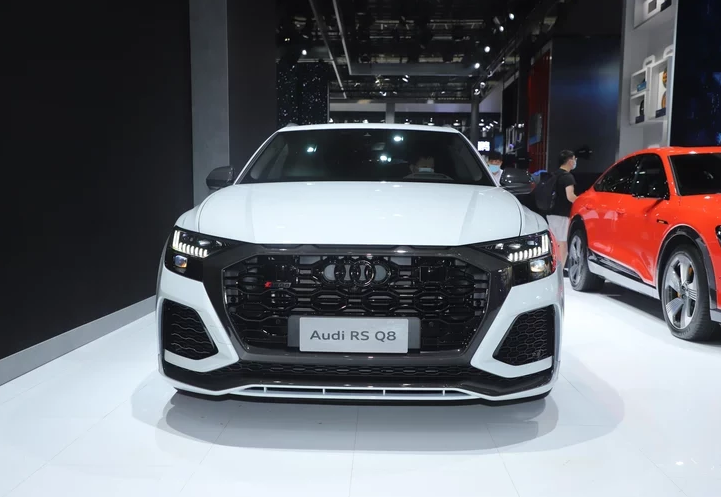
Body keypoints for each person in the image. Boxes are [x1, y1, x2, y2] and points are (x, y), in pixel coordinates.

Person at [546, 150, 578, 270]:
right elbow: (570, 196)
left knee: (554, 242)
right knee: (562, 243)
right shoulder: (567, 177)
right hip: (562, 214)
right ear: (570, 161)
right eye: (574, 159)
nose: (575, 162)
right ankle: (559, 269)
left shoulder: (554, 174)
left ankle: (551, 267)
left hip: (550, 213)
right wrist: (581, 200)